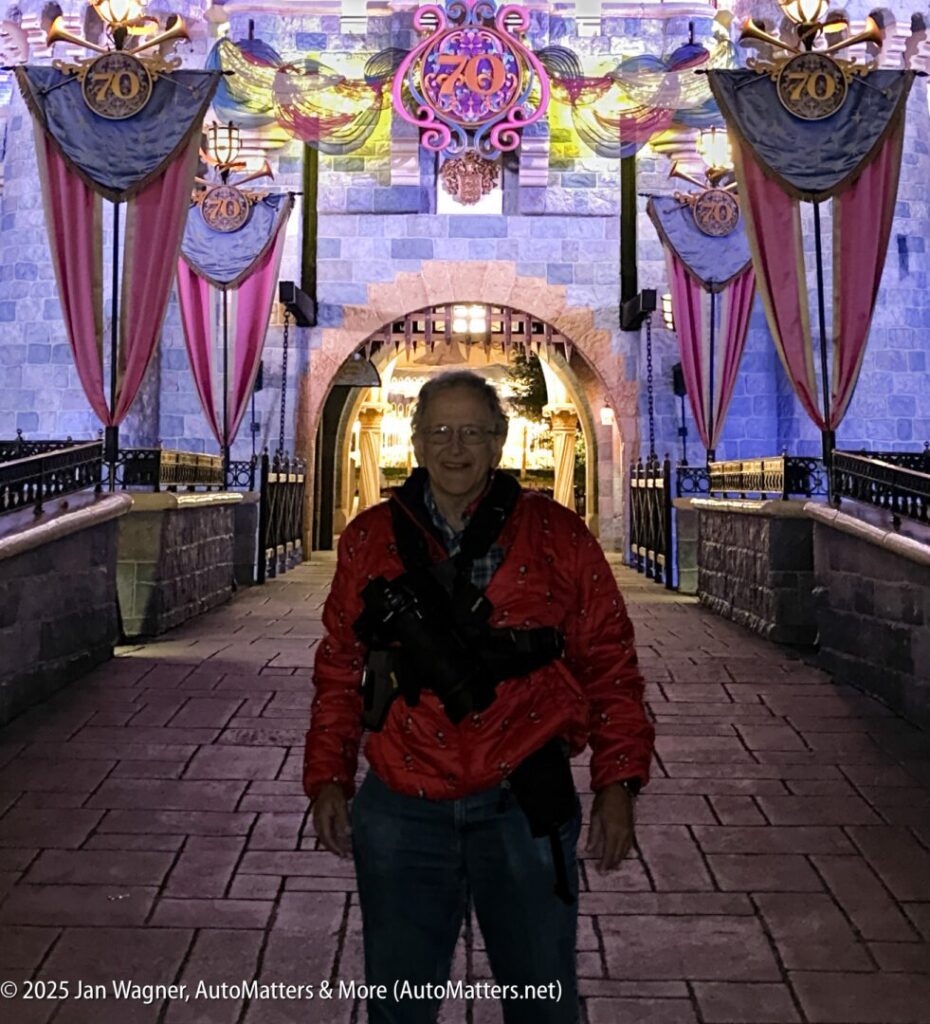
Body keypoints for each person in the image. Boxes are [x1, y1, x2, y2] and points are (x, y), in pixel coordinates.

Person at [304, 370, 654, 1024]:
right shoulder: (371, 538)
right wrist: (327, 776)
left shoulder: (558, 537)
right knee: (399, 1006)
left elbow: (609, 661)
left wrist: (619, 783)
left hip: (522, 799)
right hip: (403, 801)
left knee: (542, 999)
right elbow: (339, 666)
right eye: (439, 430)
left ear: (499, 441)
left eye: (472, 431)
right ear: (417, 440)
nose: (455, 446)